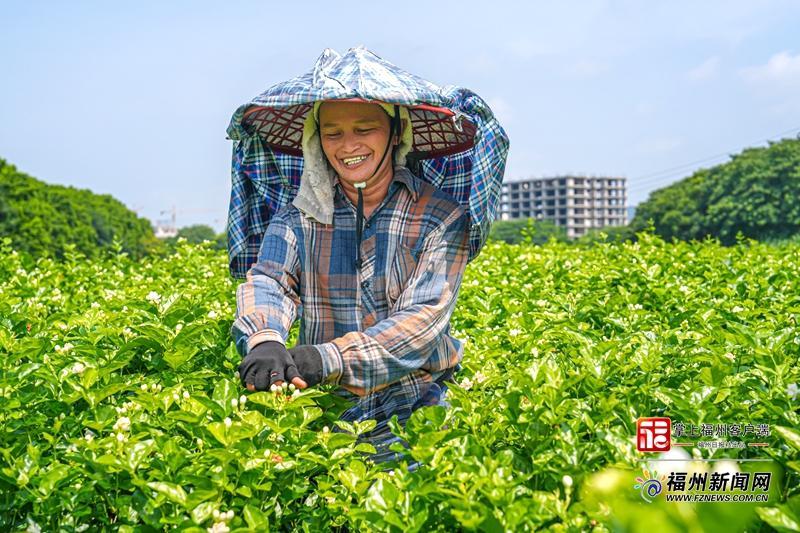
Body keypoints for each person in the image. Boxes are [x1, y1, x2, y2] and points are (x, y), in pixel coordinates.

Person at [232, 98, 470, 463]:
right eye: (332, 133)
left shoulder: (441, 216)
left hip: (419, 409)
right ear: (317, 140)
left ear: (397, 133)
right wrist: (264, 339)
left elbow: (421, 322)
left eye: (364, 129)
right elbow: (270, 281)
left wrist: (326, 358)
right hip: (324, 409)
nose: (348, 146)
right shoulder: (297, 218)